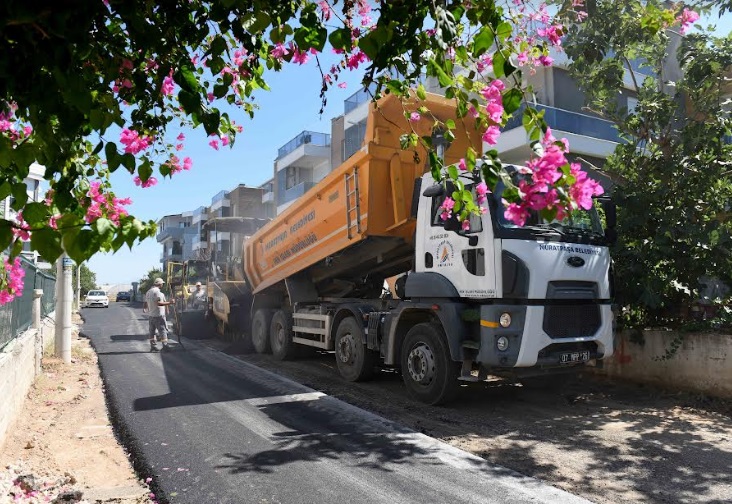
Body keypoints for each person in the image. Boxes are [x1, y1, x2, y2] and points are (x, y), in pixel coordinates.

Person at [143, 278, 172, 351]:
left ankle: (153, 346)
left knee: (152, 332)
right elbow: (159, 303)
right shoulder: (157, 292)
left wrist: (145, 308)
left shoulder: (148, 292)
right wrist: (170, 302)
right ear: (160, 284)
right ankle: (165, 346)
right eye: (162, 283)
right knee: (162, 331)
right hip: (158, 315)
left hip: (151, 315)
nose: (162, 284)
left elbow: (146, 302)